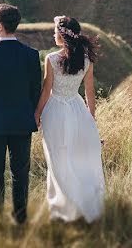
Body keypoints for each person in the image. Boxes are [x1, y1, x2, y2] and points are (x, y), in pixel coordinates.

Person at [0, 3, 42, 226]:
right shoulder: (31, 55)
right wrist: (31, 113)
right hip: (23, 119)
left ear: (0, 26)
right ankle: (20, 218)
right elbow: (35, 91)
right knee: (20, 172)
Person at [34, 15, 105, 223]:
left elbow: (46, 91)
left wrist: (37, 113)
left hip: (54, 112)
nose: (53, 34)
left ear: (63, 35)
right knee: (76, 160)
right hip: (77, 111)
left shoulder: (52, 59)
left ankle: (61, 209)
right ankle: (78, 206)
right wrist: (90, 120)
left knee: (57, 161)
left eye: (55, 31)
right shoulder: (86, 60)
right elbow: (89, 92)